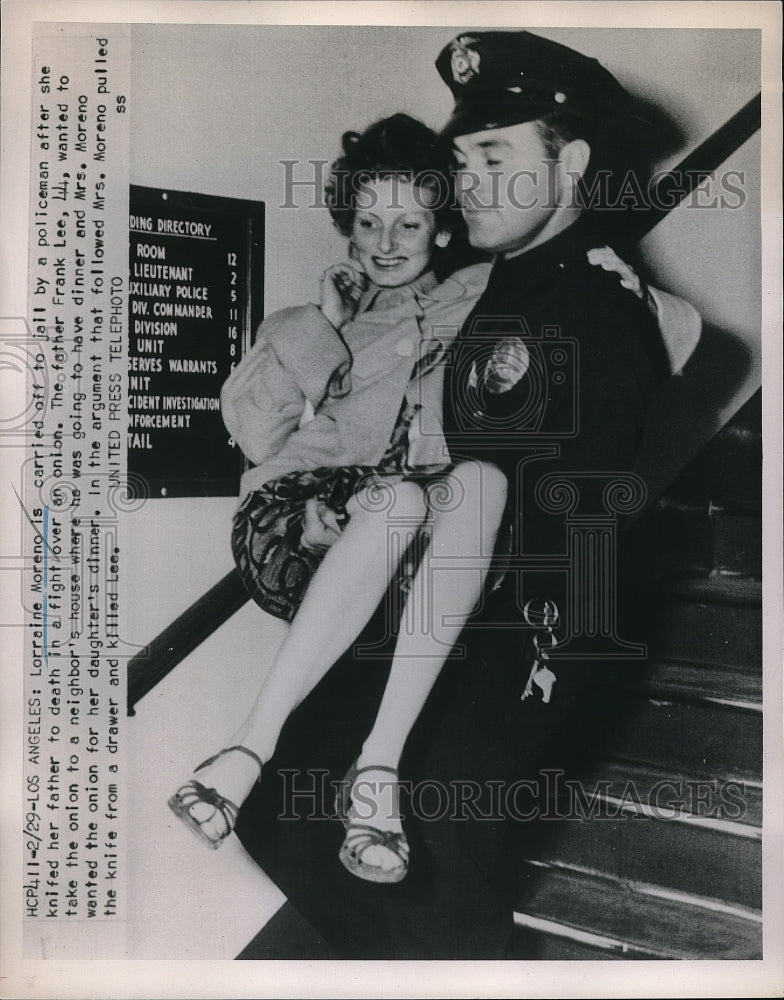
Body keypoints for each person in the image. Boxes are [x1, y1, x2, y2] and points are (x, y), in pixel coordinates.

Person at [168, 106, 699, 887]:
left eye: (408, 224)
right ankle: (249, 747)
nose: (384, 244)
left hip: (411, 519)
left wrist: (625, 283)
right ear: (348, 225)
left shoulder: (484, 295)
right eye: (369, 222)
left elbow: (679, 339)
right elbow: (255, 428)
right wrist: (327, 325)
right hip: (299, 513)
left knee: (467, 484)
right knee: (403, 503)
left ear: (443, 229)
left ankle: (376, 772)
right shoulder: (308, 321)